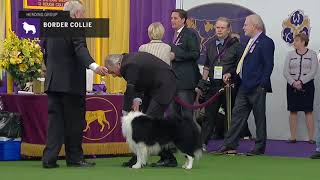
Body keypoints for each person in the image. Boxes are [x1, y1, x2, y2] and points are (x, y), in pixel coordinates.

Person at [42, 0, 108, 168]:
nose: (84, 16)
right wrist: (95, 67)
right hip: (70, 85)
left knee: (54, 123)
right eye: (83, 13)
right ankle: (75, 158)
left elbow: (45, 54)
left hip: (52, 83)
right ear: (77, 14)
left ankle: (49, 159)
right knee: (75, 122)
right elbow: (80, 49)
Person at [216, 14, 274, 156]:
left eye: (246, 24)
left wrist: (262, 85)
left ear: (254, 26)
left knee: (259, 118)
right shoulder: (250, 41)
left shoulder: (265, 42)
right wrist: (233, 76)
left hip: (257, 87)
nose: (243, 27)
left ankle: (259, 147)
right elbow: (243, 64)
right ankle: (229, 144)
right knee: (237, 116)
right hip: (244, 86)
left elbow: (268, 65)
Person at [105, 52, 177, 167]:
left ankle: (169, 158)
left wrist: (125, 112)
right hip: (154, 88)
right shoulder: (128, 61)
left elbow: (130, 89)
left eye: (112, 72)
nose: (113, 76)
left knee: (150, 124)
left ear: (118, 64)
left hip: (164, 86)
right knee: (144, 126)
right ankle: (138, 158)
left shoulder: (128, 64)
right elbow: (138, 82)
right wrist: (137, 100)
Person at [199, 17, 243, 150]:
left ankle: (230, 143)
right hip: (213, 85)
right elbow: (207, 65)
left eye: (222, 27)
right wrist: (202, 82)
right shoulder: (211, 44)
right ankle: (202, 143)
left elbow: (240, 66)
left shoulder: (236, 45)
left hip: (229, 85)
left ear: (228, 29)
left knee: (230, 115)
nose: (219, 30)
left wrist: (231, 75)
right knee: (209, 115)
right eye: (217, 27)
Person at [283, 33, 318, 144]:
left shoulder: (312, 54)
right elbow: (285, 71)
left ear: (303, 42)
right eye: (294, 40)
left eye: (297, 40)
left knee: (308, 111)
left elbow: (313, 72)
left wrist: (301, 81)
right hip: (292, 86)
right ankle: (293, 137)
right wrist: (293, 82)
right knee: (293, 111)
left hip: (307, 86)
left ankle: (311, 138)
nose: (294, 43)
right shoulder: (289, 54)